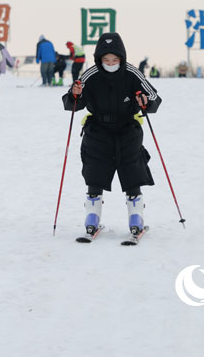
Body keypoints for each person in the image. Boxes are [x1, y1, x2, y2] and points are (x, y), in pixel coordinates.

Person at [62, 32, 161, 238]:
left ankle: (136, 218)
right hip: (98, 129)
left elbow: (154, 98)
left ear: (121, 58)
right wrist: (75, 94)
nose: (110, 63)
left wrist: (145, 102)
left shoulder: (132, 73)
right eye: (106, 60)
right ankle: (92, 218)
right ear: (99, 59)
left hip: (128, 129)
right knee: (95, 171)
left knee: (132, 169)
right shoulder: (90, 75)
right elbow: (71, 102)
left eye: (115, 60)